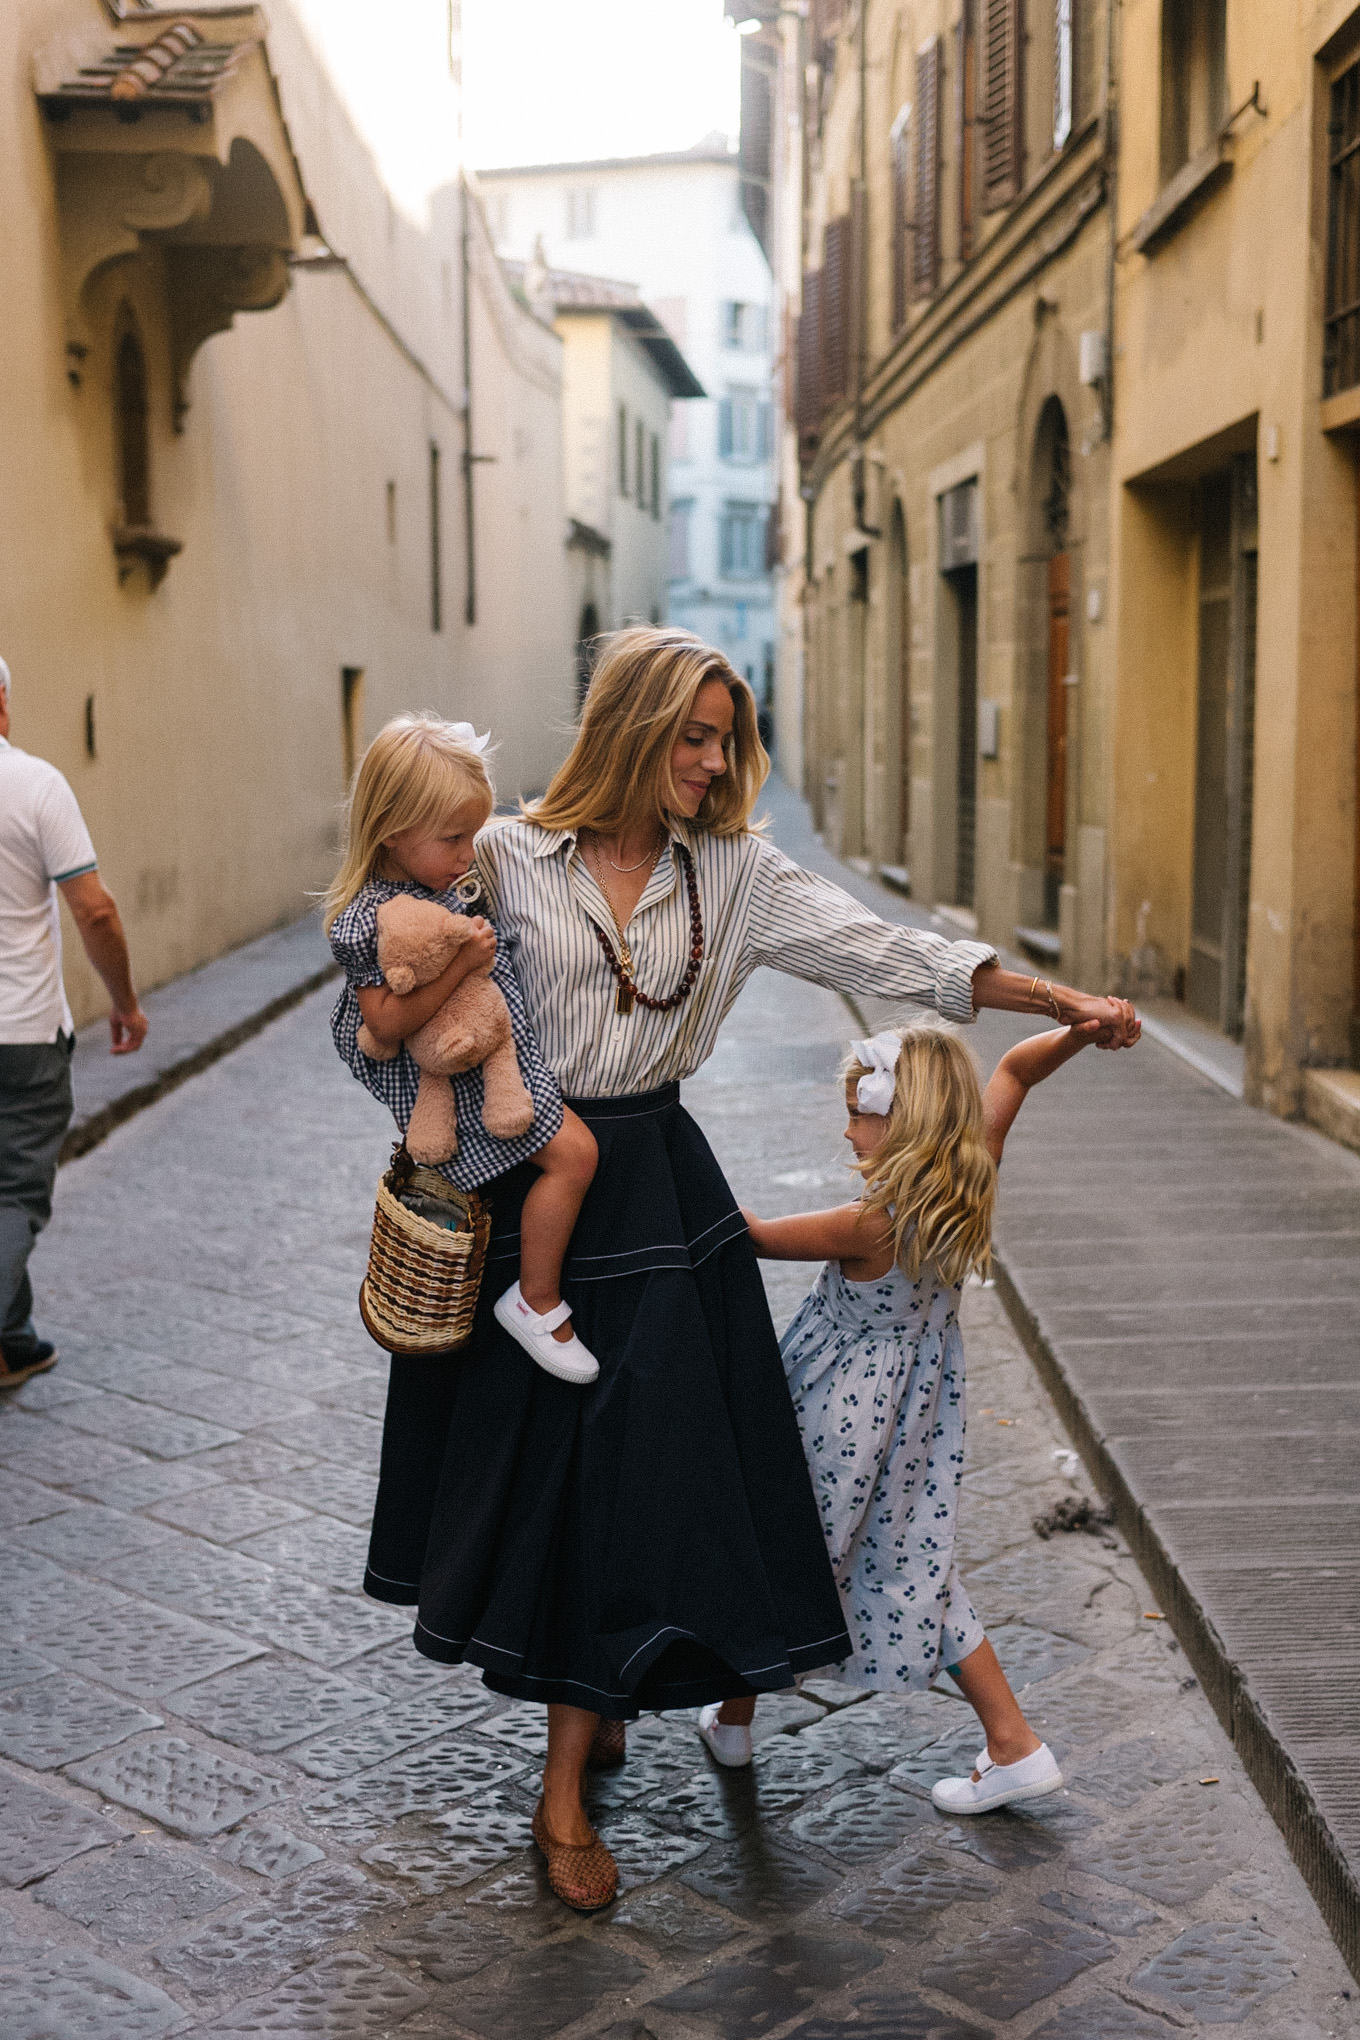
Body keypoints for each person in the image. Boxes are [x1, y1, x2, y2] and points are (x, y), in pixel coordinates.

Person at [359, 627, 1139, 1912]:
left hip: (663, 1192)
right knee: (551, 1483)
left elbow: (890, 953)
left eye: (727, 742)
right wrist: (425, 1123)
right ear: (628, 728)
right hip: (538, 1192)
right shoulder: (497, 858)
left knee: (633, 1482)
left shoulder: (737, 875)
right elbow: (375, 991)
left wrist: (1053, 1001)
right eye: (694, 737)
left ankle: (578, 1752)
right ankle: (575, 1758)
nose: (716, 767)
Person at [733, 1016, 1104, 1812]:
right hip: (915, 1415)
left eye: (859, 1113)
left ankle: (1012, 1741)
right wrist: (1081, 1026)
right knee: (897, 1562)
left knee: (792, 1548)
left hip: (834, 1412)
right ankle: (1007, 1742)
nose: (847, 1128)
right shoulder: (964, 1180)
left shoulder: (869, 1222)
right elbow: (1014, 1068)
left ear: (901, 1121)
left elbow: (750, 1237)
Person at [326, 715, 600, 1382]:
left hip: (489, 1056)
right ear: (392, 831)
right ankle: (535, 1299)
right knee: (575, 1156)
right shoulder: (366, 919)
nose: (467, 853)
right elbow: (385, 1022)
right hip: (463, 1072)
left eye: (472, 834)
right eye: (453, 838)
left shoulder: (434, 885)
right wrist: (461, 964)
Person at [0, 656, 148, 1389]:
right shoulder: (33, 784)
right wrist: (123, 1002)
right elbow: (93, 908)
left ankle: (14, 1340)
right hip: (22, 1031)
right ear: (3, 704)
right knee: (17, 1192)